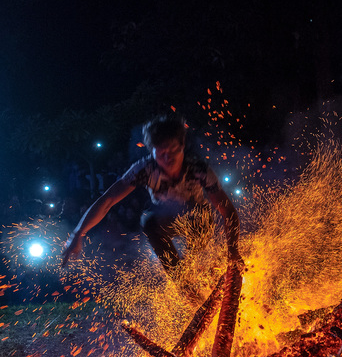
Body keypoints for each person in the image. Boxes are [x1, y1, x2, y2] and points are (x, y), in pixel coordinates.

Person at [61, 114, 241, 278]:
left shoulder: (198, 170)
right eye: (161, 152)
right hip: (164, 219)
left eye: (173, 150)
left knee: (196, 245)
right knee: (148, 221)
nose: (167, 158)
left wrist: (233, 251)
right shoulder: (144, 170)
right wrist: (78, 234)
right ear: (151, 150)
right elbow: (107, 200)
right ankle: (181, 280)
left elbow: (228, 211)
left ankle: (197, 272)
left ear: (182, 146)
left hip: (197, 220)